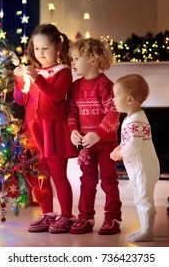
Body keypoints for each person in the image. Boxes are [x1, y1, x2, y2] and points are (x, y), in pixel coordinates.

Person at [13, 24, 78, 233]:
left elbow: (56, 95)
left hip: (54, 130)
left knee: (58, 175)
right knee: (41, 175)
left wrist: (36, 78)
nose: (40, 53)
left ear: (58, 47)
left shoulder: (63, 72)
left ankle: (66, 215)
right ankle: (47, 214)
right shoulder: (34, 72)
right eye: (37, 48)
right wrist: (18, 80)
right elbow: (22, 100)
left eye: (45, 48)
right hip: (34, 131)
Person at [67, 38, 122, 235]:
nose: (72, 62)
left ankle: (112, 217)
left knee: (108, 180)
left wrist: (97, 134)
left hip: (106, 143)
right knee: (87, 181)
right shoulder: (75, 86)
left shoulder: (105, 85)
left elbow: (113, 114)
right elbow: (71, 113)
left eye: (75, 58)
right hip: (85, 144)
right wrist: (73, 131)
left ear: (92, 58)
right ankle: (86, 217)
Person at [110, 74, 160, 242]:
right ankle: (144, 228)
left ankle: (148, 231)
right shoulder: (133, 118)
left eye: (116, 95)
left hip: (143, 167)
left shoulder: (135, 121)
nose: (113, 99)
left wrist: (119, 153)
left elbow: (134, 146)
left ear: (129, 99)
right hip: (139, 166)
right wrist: (119, 147)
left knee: (144, 198)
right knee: (140, 197)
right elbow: (129, 141)